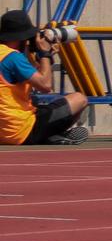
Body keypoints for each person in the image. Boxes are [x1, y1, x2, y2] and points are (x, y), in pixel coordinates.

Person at [0, 9, 91, 145]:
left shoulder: (4, 55)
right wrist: (44, 54)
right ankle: (52, 135)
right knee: (80, 99)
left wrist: (46, 58)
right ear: (22, 37)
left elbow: (32, 77)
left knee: (35, 101)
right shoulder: (13, 58)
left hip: (3, 131)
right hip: (19, 131)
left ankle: (51, 136)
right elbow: (46, 85)